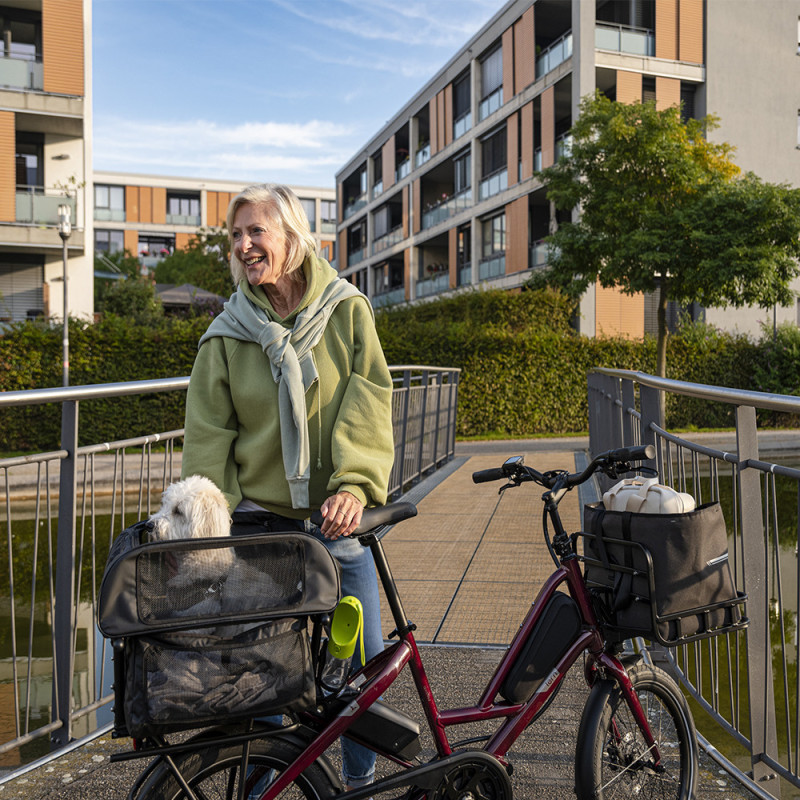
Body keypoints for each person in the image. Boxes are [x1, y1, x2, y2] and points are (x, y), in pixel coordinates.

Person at [180, 183, 395, 792]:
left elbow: (369, 400)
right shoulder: (225, 336)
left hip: (338, 524)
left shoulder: (347, 309)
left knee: (362, 670)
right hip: (262, 523)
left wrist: (354, 485)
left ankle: (360, 784)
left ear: (292, 238)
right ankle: (261, 788)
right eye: (236, 235)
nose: (246, 245)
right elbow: (209, 438)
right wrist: (210, 530)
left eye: (258, 231)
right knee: (263, 675)